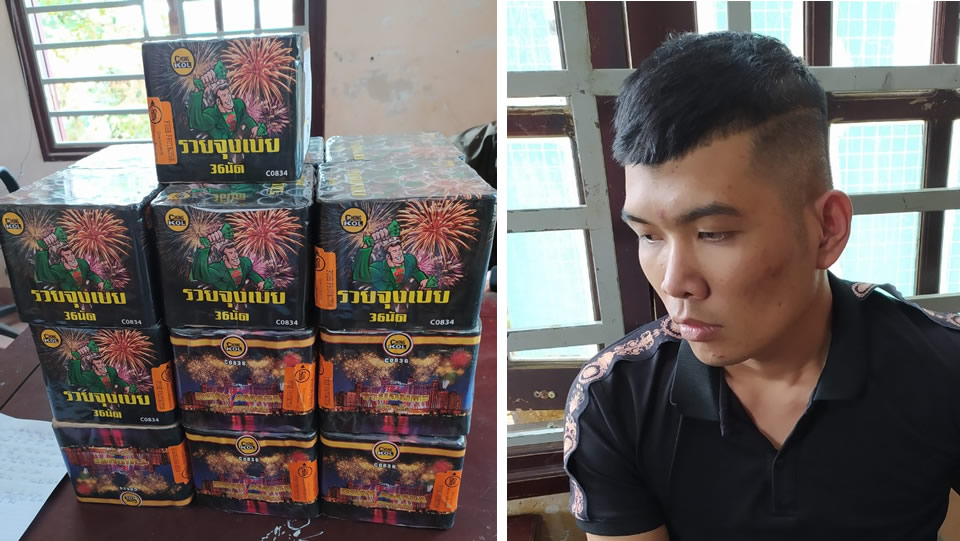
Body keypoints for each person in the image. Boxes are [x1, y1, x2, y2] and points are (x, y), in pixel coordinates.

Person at [563, 31, 960, 541]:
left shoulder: (942, 370)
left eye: (713, 233)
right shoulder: (616, 398)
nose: (674, 281)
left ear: (827, 230)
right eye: (649, 236)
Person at [352, 219, 437, 291]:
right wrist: (366, 248)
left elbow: (415, 271)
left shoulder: (410, 260)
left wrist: (423, 279)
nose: (399, 252)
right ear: (388, 256)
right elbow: (360, 275)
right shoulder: (379, 269)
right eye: (394, 251)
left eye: (399, 249)